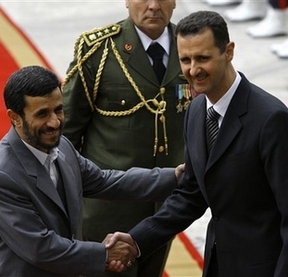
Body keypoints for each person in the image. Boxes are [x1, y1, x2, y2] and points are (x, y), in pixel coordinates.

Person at [106, 10, 288, 276]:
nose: (193, 70)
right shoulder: (196, 111)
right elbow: (191, 194)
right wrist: (136, 240)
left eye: (203, 58)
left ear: (228, 51)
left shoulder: (272, 120)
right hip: (220, 265)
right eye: (185, 60)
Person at [0, 65, 184, 277]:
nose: (55, 122)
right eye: (42, 114)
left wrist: (175, 177)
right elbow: (41, 248)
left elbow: (106, 182)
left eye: (58, 109)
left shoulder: (62, 146)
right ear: (15, 117)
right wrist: (105, 254)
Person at [62, 0, 189, 276]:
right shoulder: (100, 49)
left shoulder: (191, 46)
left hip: (164, 205)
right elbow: (67, 132)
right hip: (108, 206)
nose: (154, 6)